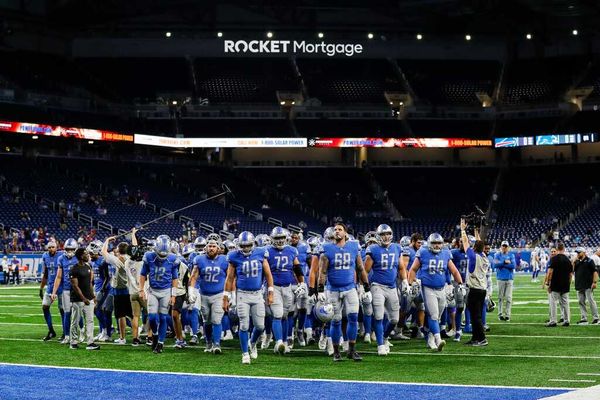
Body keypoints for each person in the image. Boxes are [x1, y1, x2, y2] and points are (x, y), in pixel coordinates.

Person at [317, 223, 370, 362]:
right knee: (335, 321)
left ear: (345, 233)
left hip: (350, 288)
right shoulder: (327, 248)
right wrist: (320, 288)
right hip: (332, 289)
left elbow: (360, 267)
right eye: (335, 229)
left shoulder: (353, 246)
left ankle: (351, 350)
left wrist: (366, 286)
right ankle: (336, 352)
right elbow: (322, 271)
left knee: (353, 318)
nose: (337, 231)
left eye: (340, 229)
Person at [408, 233, 465, 352]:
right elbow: (413, 269)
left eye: (439, 243)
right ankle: (438, 340)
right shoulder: (423, 252)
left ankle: (430, 339)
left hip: (441, 288)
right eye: (434, 243)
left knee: (436, 316)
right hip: (427, 287)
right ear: (429, 243)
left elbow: (454, 270)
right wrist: (410, 283)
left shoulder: (445, 253)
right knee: (433, 315)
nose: (437, 246)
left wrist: (460, 284)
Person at [224, 231, 274, 364]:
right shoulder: (234, 256)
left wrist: (270, 292)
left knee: (260, 326)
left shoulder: (260, 253)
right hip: (242, 295)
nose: (245, 248)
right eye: (243, 246)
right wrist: (226, 296)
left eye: (248, 245)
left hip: (257, 294)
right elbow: (229, 278)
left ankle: (252, 342)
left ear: (253, 244)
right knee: (244, 325)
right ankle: (245, 353)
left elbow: (268, 274)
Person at [363, 224, 404, 356]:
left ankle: (385, 337)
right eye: (382, 234)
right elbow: (365, 271)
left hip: (392, 287)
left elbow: (401, 267)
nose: (385, 237)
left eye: (387, 234)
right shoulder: (373, 249)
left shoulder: (397, 247)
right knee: (379, 316)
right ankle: (380, 345)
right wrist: (363, 288)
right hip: (377, 286)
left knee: (394, 320)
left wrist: (405, 282)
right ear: (378, 236)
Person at [265, 227, 305, 354]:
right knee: (277, 315)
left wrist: (302, 283)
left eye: (282, 237)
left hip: (288, 287)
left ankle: (286, 342)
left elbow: (297, 268)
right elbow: (263, 271)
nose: (280, 240)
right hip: (274, 287)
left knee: (286, 316)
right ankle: (278, 342)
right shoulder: (266, 251)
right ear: (272, 239)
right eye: (277, 238)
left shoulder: (292, 250)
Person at [139, 235, 180, 354]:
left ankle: (160, 343)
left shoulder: (172, 258)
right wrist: (141, 289)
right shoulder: (149, 257)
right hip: (153, 290)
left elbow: (175, 278)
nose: (162, 257)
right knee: (151, 317)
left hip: (166, 291)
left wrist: (173, 295)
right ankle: (155, 335)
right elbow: (142, 274)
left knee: (163, 317)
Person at [190, 236, 228, 354]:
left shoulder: (224, 259)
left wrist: (230, 294)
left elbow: (230, 277)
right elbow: (194, 276)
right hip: (204, 294)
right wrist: (191, 290)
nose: (211, 248)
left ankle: (217, 344)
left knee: (216, 320)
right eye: (210, 246)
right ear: (206, 247)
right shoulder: (199, 259)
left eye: (214, 246)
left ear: (218, 248)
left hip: (219, 294)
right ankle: (208, 343)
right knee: (207, 320)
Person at [460, 219, 490, 346]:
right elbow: (479, 243)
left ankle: (482, 338)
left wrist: (463, 229)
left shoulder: (473, 256)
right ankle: (475, 338)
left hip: (474, 289)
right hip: (482, 289)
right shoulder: (484, 257)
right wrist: (477, 231)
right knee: (474, 316)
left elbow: (466, 242)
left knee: (475, 317)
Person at [101, 236, 132, 345]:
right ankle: (136, 337)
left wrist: (107, 240)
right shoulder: (131, 258)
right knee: (133, 315)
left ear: (118, 250)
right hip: (130, 289)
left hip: (119, 291)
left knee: (121, 315)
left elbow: (103, 251)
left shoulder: (116, 259)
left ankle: (122, 338)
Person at [68, 248, 100, 350]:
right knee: (75, 321)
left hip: (89, 298)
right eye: (86, 254)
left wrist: (93, 296)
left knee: (90, 321)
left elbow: (90, 283)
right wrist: (84, 298)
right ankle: (73, 342)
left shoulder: (88, 266)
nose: (88, 255)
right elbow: (75, 287)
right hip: (78, 299)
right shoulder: (74, 269)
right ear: (81, 256)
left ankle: (90, 342)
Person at [51, 238, 79, 344]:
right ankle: (67, 335)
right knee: (67, 312)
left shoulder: (79, 257)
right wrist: (54, 292)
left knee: (78, 313)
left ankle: (81, 331)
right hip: (66, 289)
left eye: (72, 249)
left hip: (78, 289)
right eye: (68, 249)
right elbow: (58, 277)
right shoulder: (62, 258)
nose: (70, 251)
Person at [39, 241, 63, 341]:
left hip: (61, 286)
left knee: (63, 310)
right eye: (49, 247)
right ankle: (51, 331)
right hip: (50, 286)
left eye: (53, 247)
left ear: (56, 247)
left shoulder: (62, 255)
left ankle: (65, 332)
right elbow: (45, 274)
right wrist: (41, 288)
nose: (51, 249)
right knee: (45, 306)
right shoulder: (45, 256)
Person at [545, 242, 572, 327]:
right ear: (564, 249)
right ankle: (567, 320)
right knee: (565, 303)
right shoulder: (568, 260)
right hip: (565, 284)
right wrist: (568, 283)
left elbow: (550, 272)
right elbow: (570, 274)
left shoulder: (554, 259)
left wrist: (548, 283)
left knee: (553, 302)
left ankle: (553, 321)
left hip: (555, 284)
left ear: (557, 249)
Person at [573, 247, 599, 325]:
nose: (577, 254)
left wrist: (594, 282)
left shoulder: (590, 261)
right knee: (581, 302)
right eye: (577, 253)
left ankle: (596, 318)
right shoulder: (577, 262)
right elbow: (573, 270)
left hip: (588, 285)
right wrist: (573, 262)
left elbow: (595, 272)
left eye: (579, 252)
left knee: (591, 301)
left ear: (584, 252)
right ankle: (584, 319)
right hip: (579, 284)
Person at [494, 240, 516, 321]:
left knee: (509, 298)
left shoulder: (511, 255)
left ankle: (507, 315)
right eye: (503, 246)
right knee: (500, 298)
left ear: (508, 247)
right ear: (501, 246)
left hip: (509, 279)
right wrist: (504, 262)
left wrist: (502, 264)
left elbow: (513, 266)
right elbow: (495, 265)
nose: (504, 247)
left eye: (506, 246)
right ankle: (500, 314)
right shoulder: (497, 255)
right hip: (500, 278)